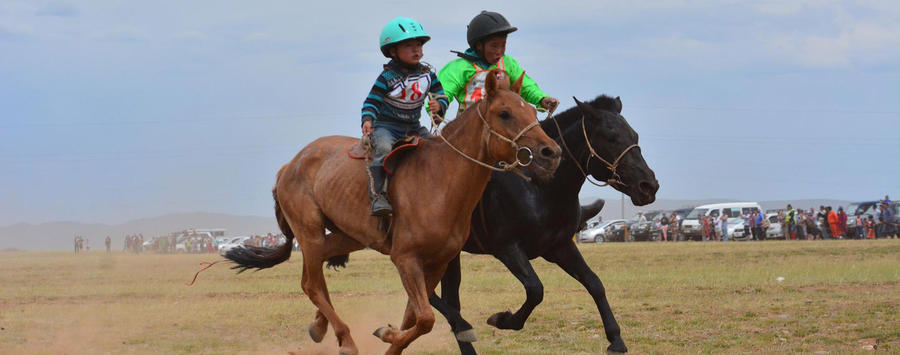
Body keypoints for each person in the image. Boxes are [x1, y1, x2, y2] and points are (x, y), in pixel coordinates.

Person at [361, 17, 448, 216]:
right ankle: (378, 196)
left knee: (438, 148)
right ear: (393, 51)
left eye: (418, 45)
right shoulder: (387, 77)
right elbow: (372, 101)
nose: (417, 50)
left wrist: (439, 105)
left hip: (413, 126)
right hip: (387, 126)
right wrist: (368, 120)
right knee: (382, 148)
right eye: (409, 46)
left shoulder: (428, 74)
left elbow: (441, 94)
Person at [438, 11, 558, 120]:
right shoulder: (459, 67)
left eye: (503, 45)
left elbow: (526, 86)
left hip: (503, 125)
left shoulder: (508, 63)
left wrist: (541, 99)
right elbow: (442, 91)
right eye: (494, 46)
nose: (499, 51)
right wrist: (439, 108)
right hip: (470, 128)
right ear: (479, 45)